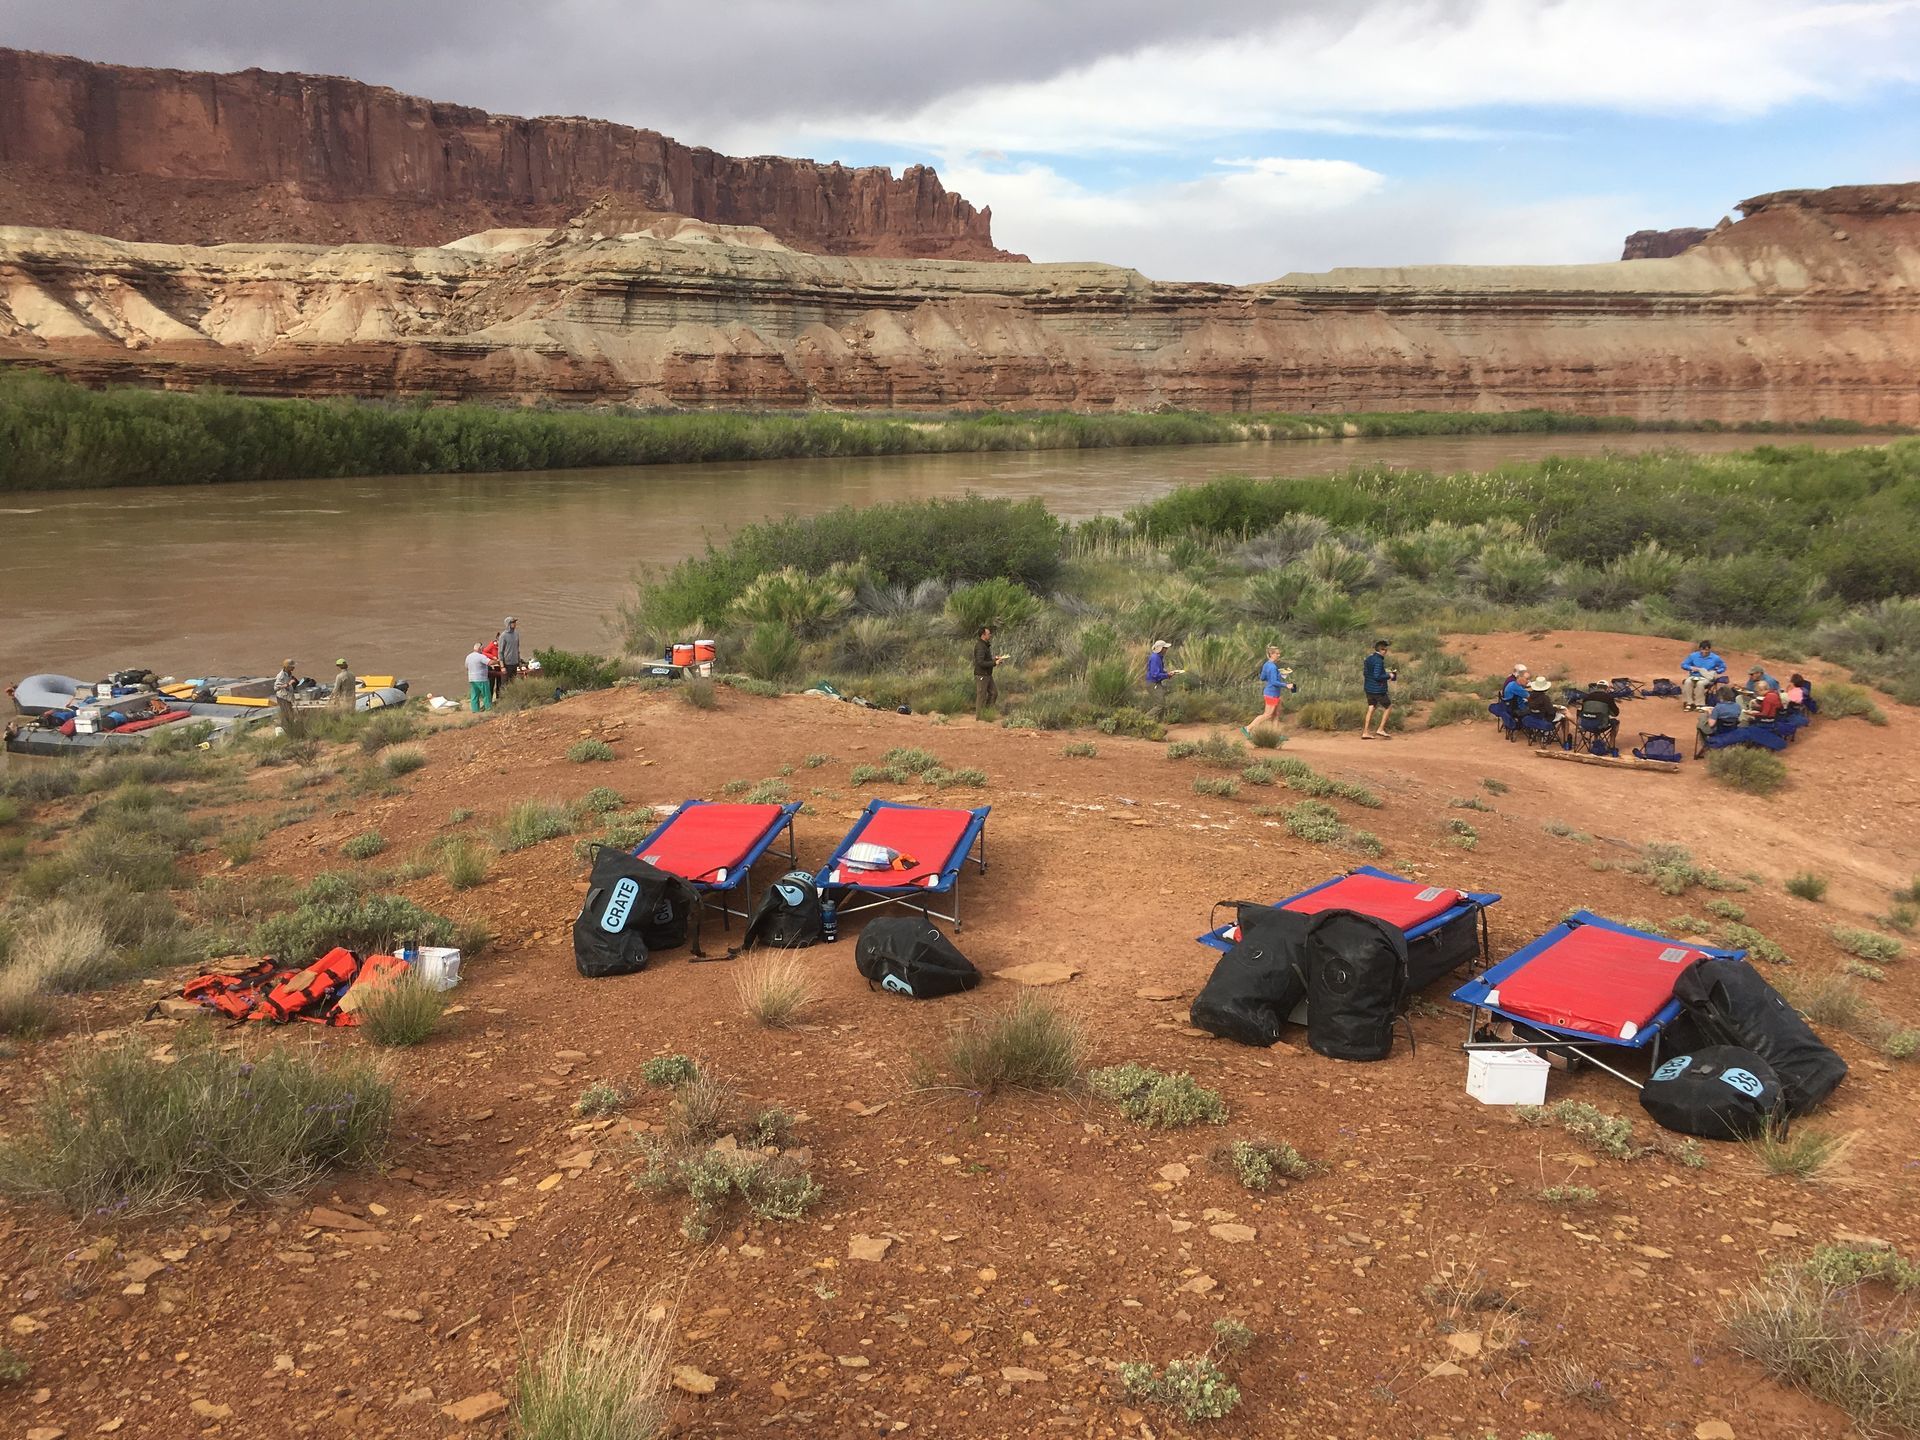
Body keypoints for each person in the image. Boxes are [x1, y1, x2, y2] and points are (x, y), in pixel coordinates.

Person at [1246, 645, 1294, 735]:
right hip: (1271, 694)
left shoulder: (1267, 665)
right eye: (1277, 653)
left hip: (1273, 693)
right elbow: (1274, 682)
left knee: (1275, 715)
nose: (1279, 655)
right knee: (1267, 714)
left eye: (1279, 653)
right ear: (1271, 654)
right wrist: (1286, 685)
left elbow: (1263, 677)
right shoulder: (1272, 667)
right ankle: (1248, 728)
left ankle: (1275, 734)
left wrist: (1279, 674)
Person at [1678, 640, 1727, 710]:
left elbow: (1723, 667)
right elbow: (1683, 665)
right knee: (1687, 682)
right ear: (1700, 649)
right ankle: (1689, 702)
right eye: (1703, 649)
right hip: (1694, 675)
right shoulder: (1693, 656)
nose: (1704, 652)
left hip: (1706, 677)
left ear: (1710, 649)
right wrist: (1691, 667)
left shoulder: (1715, 658)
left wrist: (1716, 671)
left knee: (1700, 684)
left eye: (1707, 650)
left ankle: (1699, 704)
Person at [1361, 639, 1395, 739]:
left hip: (1368, 688)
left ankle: (1365, 732)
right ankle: (1380, 729)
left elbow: (1366, 673)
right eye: (1385, 649)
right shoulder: (1379, 661)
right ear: (1381, 650)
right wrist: (1389, 675)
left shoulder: (1369, 658)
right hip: (1378, 690)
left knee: (1371, 708)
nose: (1386, 652)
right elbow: (1377, 676)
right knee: (1388, 707)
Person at [973, 626, 1009, 719]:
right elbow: (980, 662)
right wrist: (994, 663)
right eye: (988, 634)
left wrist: (995, 659)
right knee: (981, 696)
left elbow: (985, 660)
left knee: (994, 693)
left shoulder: (985, 645)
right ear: (983, 635)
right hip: (982, 675)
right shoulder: (980, 646)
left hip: (987, 674)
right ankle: (980, 717)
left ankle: (986, 713)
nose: (990, 635)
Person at [1572, 680, 1621, 749]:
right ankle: (1611, 745)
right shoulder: (1608, 698)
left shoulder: (1587, 697)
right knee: (1615, 723)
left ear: (1597, 687)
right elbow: (1615, 713)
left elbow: (1582, 711)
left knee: (1595, 717)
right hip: (1600, 726)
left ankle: (1595, 741)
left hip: (1585, 725)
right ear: (1607, 688)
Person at [1145, 640, 1185, 710]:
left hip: (1155, 683)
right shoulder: (1155, 658)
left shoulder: (1157, 657)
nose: (1166, 649)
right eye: (1165, 648)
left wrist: (1167, 673)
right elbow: (1155, 674)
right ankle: (1145, 720)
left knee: (1163, 698)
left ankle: (1154, 719)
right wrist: (1167, 675)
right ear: (1161, 649)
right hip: (1153, 684)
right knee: (1160, 705)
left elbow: (1157, 672)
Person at [272, 657, 300, 735]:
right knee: (286, 715)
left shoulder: (289, 673)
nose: (294, 667)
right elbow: (276, 687)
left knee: (291, 714)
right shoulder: (281, 675)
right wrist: (288, 684)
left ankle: (290, 729)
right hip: (282, 697)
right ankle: (286, 731)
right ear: (287, 667)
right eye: (292, 666)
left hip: (288, 697)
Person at [496, 616, 522, 697]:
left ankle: (512, 699)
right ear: (508, 624)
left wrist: (519, 661)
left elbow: (517, 648)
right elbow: (500, 652)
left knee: (513, 683)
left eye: (515, 622)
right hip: (507, 664)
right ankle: (503, 700)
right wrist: (502, 666)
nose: (515, 624)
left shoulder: (516, 634)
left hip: (515, 663)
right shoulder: (503, 636)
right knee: (504, 684)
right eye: (513, 622)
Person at [466, 641, 494, 713]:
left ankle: (475, 710)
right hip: (481, 678)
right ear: (480, 648)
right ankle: (488, 708)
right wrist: (497, 661)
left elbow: (466, 667)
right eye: (482, 648)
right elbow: (490, 662)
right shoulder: (481, 656)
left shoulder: (468, 656)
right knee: (486, 694)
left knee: (474, 695)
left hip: (472, 679)